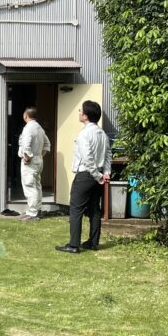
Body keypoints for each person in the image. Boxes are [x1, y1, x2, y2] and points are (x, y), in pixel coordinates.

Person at [56, 100, 111, 253]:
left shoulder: (84, 134)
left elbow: (87, 159)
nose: (79, 113)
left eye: (80, 111)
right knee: (94, 209)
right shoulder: (103, 134)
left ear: (86, 116)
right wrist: (105, 173)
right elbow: (108, 156)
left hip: (85, 175)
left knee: (76, 209)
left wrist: (97, 175)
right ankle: (93, 242)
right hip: (97, 175)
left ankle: (74, 245)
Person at [18, 107, 50, 221]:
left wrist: (27, 157)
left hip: (30, 161)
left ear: (26, 115)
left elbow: (26, 145)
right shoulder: (39, 128)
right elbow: (47, 143)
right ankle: (37, 209)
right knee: (36, 185)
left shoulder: (28, 128)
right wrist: (40, 155)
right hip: (38, 159)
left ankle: (32, 212)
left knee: (29, 185)